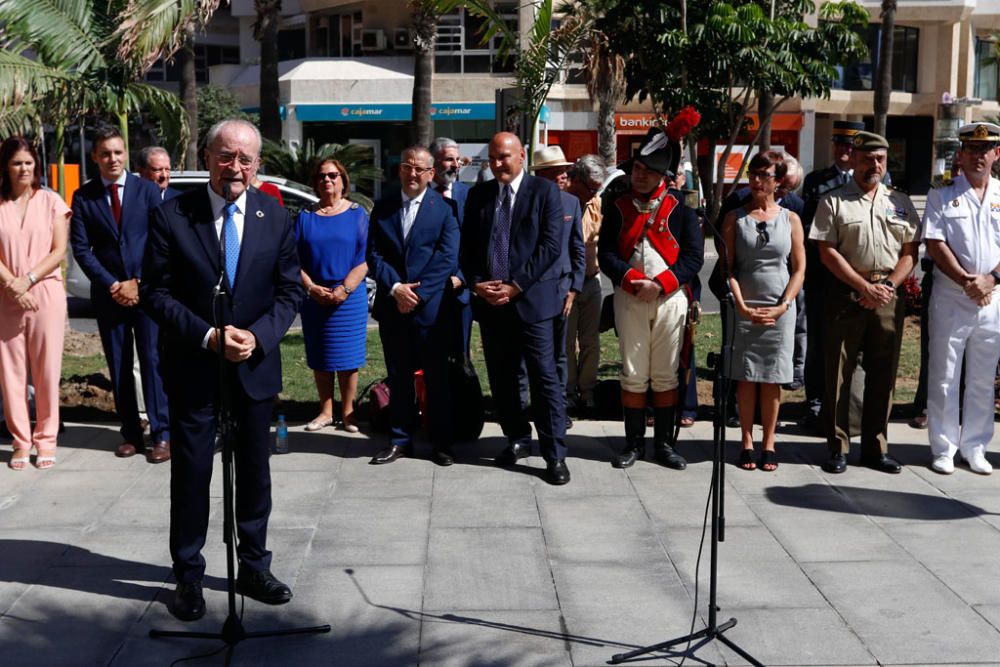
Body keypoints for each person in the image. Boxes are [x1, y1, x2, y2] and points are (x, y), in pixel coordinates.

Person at [142, 119, 302, 621]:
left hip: (253, 367)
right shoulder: (173, 216)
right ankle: (187, 575)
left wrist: (258, 337)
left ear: (257, 166)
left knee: (255, 472)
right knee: (192, 474)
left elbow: (289, 291)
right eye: (226, 156)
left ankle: (253, 565)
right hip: (195, 365)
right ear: (207, 156)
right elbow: (155, 293)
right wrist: (208, 335)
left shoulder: (275, 217)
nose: (235, 167)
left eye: (245, 159)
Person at [460, 132, 571, 485]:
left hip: (534, 304)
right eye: (492, 158)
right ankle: (518, 438)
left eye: (504, 157)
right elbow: (468, 249)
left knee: (544, 379)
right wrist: (477, 282)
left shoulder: (545, 192)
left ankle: (554, 455)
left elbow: (551, 246)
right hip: (492, 306)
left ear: (521, 156)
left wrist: (516, 284)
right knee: (503, 380)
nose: (497, 164)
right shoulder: (479, 195)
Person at [809, 131, 920, 474]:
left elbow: (909, 252)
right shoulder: (834, 201)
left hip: (887, 295)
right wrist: (862, 286)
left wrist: (886, 286)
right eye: (868, 158)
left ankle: (876, 447)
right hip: (846, 294)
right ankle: (838, 446)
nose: (874, 165)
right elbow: (827, 252)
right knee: (839, 373)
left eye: (880, 159)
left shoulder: (900, 201)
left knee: (883, 373)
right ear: (854, 159)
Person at [598, 127, 704, 469]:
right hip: (629, 297)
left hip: (670, 298)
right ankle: (632, 444)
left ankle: (663, 444)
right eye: (637, 170)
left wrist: (660, 285)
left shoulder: (683, 206)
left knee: (665, 373)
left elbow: (693, 257)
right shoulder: (617, 205)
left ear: (664, 175)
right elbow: (607, 253)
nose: (639, 177)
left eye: (648, 172)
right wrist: (631, 280)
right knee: (632, 371)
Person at [70, 125, 171, 463]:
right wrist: (114, 284)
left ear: (125, 153)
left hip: (145, 294)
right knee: (119, 363)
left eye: (117, 152)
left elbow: (160, 243)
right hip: (109, 295)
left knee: (154, 361)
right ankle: (130, 433)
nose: (112, 158)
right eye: (105, 153)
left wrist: (138, 282)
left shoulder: (147, 191)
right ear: (95, 158)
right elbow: (83, 250)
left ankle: (162, 434)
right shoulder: (84, 197)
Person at [367, 146, 459, 466]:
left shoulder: (445, 209)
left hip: (430, 310)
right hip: (393, 307)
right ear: (400, 170)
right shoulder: (383, 208)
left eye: (420, 168)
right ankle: (400, 439)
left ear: (431, 173)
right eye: (407, 166)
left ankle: (441, 442)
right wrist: (395, 289)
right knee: (398, 376)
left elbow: (447, 257)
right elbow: (374, 255)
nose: (413, 173)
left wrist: (417, 296)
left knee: (436, 378)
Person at [922, 122, 1000, 475]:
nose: (978, 156)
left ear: (996, 154)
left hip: (993, 297)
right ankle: (944, 447)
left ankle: (975, 446)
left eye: (985, 150)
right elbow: (935, 242)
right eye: (971, 149)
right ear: (961, 154)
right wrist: (968, 281)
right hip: (953, 297)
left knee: (983, 376)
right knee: (944, 375)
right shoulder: (942, 192)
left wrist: (991, 279)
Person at [722, 151, 805, 471]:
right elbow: (728, 269)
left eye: (764, 175)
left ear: (778, 181)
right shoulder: (735, 218)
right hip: (745, 306)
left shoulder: (791, 219)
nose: (756, 180)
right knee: (746, 377)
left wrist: (784, 305)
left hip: (780, 308)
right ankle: (745, 441)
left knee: (772, 378)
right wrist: (741, 305)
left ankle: (769, 443)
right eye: (753, 174)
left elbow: (799, 269)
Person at [0, 137, 71, 470]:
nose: (23, 168)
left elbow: (58, 251)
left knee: (46, 371)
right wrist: (12, 285)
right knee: (11, 372)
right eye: (16, 163)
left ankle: (46, 439)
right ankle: (20, 442)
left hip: (45, 293)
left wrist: (26, 279)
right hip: (5, 295)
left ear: (36, 165)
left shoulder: (51, 201)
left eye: (28, 162)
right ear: (6, 167)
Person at [296, 159, 369, 434]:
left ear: (343, 179)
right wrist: (311, 288)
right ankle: (325, 411)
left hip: (349, 297)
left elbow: (364, 258)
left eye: (333, 175)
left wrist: (345, 289)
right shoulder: (305, 216)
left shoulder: (357, 214)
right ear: (315, 182)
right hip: (314, 296)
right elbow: (293, 259)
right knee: (320, 355)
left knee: (348, 358)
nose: (327, 180)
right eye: (322, 176)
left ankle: (349, 413)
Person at [800, 120, 864, 427]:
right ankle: (815, 400)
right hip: (822, 274)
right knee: (818, 341)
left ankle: (847, 403)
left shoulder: (874, 179)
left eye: (850, 146)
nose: (844, 151)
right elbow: (808, 226)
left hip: (858, 274)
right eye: (840, 144)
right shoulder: (816, 181)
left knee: (854, 343)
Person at [528, 145, 585, 423]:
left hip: (562, 291)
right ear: (542, 175)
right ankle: (529, 404)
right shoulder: (527, 203)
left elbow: (578, 250)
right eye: (557, 173)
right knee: (530, 355)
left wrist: (574, 288)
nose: (563, 177)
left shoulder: (571, 204)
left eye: (564, 172)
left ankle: (558, 408)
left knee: (560, 353)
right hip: (530, 291)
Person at [565, 154, 606, 415]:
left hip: (592, 281)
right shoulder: (563, 202)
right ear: (575, 179)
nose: (593, 193)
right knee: (567, 342)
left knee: (591, 340)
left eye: (597, 189)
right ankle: (568, 392)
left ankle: (588, 391)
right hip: (567, 285)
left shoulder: (596, 202)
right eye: (590, 187)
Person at [430, 137, 473, 358]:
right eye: (449, 159)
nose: (456, 165)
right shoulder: (417, 195)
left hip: (458, 292)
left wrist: (462, 277)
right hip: (424, 292)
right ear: (433, 161)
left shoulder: (468, 196)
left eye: (457, 159)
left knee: (459, 359)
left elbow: (476, 243)